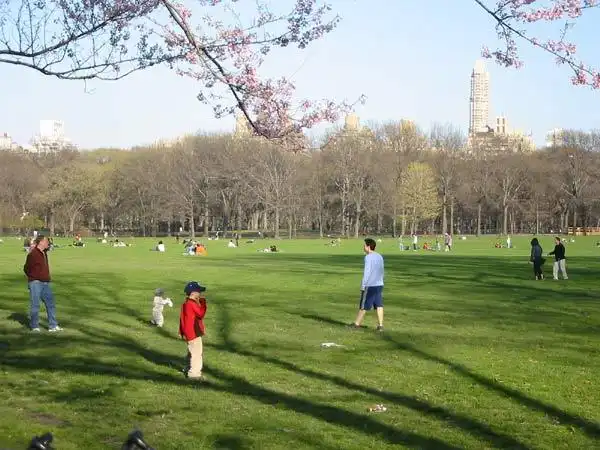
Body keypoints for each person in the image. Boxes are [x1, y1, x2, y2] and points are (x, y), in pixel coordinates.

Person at [23, 235, 61, 332]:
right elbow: (26, 268)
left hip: (46, 283)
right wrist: (33, 277)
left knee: (50, 304)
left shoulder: (44, 252)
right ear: (41, 242)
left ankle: (53, 325)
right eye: (46, 242)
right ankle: (34, 326)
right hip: (35, 283)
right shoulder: (33, 254)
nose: (48, 243)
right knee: (35, 305)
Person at [349, 238, 384, 331]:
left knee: (363, 306)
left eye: (364, 245)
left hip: (370, 285)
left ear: (368, 247)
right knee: (379, 305)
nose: (363, 247)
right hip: (379, 284)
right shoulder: (379, 256)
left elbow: (367, 273)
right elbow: (381, 270)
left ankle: (356, 324)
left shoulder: (368, 257)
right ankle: (380, 326)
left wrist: (363, 286)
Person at [179, 281, 207, 380]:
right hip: (194, 333)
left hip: (189, 333)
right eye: (199, 292)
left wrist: (181, 331)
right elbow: (200, 314)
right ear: (193, 293)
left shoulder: (186, 303)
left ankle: (187, 368)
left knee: (191, 352)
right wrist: (203, 303)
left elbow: (182, 318)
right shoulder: (191, 304)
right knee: (197, 353)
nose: (200, 294)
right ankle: (194, 374)